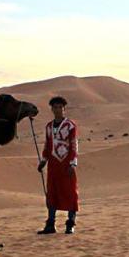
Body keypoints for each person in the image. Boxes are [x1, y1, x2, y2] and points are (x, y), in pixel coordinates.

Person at [37, 96, 79, 234]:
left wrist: (73, 163)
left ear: (64, 109)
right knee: (52, 193)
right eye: (55, 107)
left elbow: (73, 144)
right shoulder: (49, 126)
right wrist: (43, 160)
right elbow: (48, 145)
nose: (58, 110)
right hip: (53, 164)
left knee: (70, 192)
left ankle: (70, 223)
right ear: (52, 109)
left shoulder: (70, 125)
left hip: (66, 164)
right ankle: (50, 224)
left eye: (60, 107)